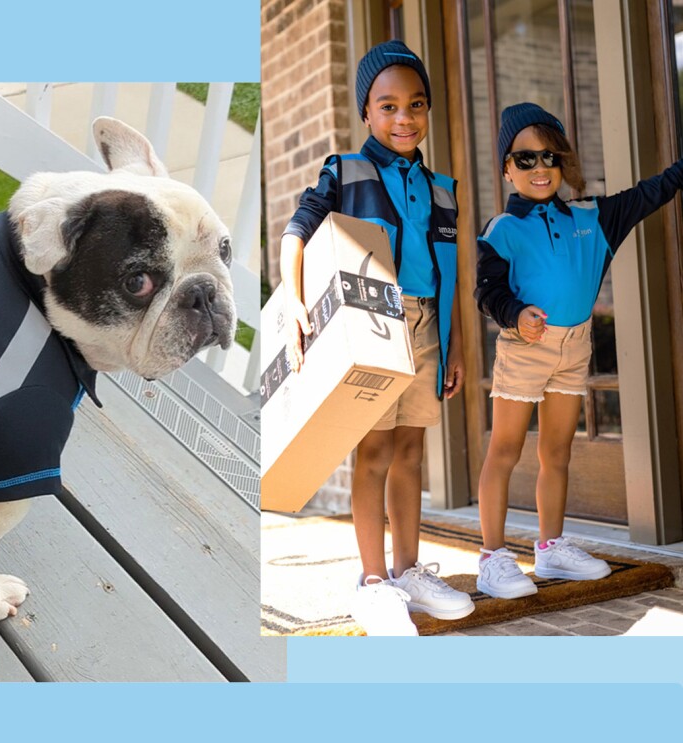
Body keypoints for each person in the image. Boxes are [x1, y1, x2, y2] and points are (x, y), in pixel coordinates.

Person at [280, 40, 472, 635]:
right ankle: (372, 581)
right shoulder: (347, 171)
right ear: (367, 112)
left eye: (416, 105)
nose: (404, 118)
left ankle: (408, 570)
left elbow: (448, 273)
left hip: (426, 331)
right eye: (387, 107)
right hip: (373, 322)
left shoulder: (443, 189)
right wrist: (291, 301)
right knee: (375, 452)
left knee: (413, 451)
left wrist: (456, 344)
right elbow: (297, 232)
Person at [474, 103, 683, 599]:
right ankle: (493, 557)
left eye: (548, 157)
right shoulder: (502, 228)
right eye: (524, 159)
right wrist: (514, 313)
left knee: (558, 450)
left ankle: (550, 549)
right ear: (507, 168)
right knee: (504, 449)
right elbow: (488, 291)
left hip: (575, 347)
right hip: (526, 349)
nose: (539, 168)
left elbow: (653, 192)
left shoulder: (594, 217)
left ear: (562, 163)